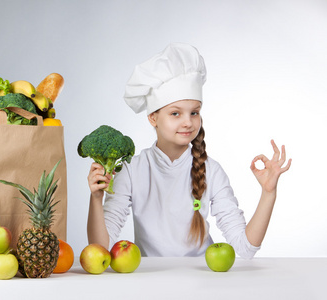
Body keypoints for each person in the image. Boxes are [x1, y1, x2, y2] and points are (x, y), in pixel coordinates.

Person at [86, 43, 291, 258]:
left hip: (201, 283)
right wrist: (96, 199)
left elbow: (245, 248)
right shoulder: (131, 170)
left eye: (194, 112)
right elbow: (100, 248)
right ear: (153, 118)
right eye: (175, 113)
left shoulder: (211, 171)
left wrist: (268, 193)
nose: (188, 122)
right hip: (150, 284)